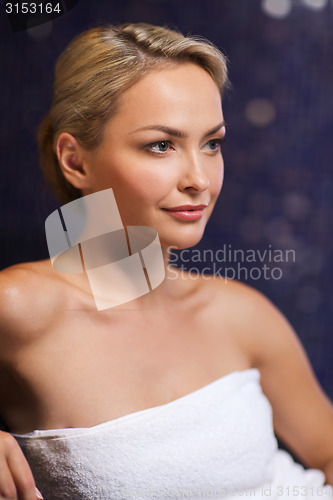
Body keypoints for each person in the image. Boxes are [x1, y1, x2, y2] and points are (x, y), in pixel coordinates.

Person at [0, 22, 332, 500]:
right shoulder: (22, 309)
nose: (199, 178)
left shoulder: (240, 312)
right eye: (161, 145)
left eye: (212, 143)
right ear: (75, 161)